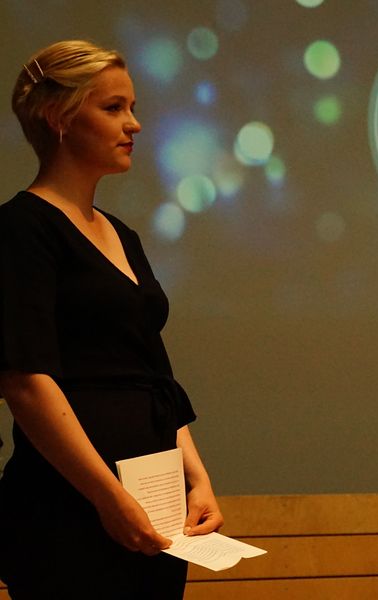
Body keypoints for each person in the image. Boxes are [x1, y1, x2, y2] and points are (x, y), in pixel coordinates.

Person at [0, 40, 223, 599]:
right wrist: (107, 496)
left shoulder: (122, 234)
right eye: (113, 107)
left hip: (152, 505)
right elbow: (25, 381)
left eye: (133, 107)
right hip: (68, 508)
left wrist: (196, 478)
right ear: (59, 117)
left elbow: (153, 371)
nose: (134, 124)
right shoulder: (22, 228)